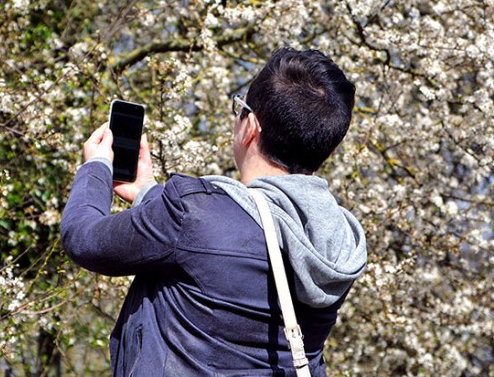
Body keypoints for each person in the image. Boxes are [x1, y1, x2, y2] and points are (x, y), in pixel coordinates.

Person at [60, 47, 368, 376]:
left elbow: (83, 239)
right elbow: (218, 250)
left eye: (241, 109)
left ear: (250, 126)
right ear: (331, 147)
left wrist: (96, 168)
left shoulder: (193, 212)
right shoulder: (339, 240)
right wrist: (147, 191)